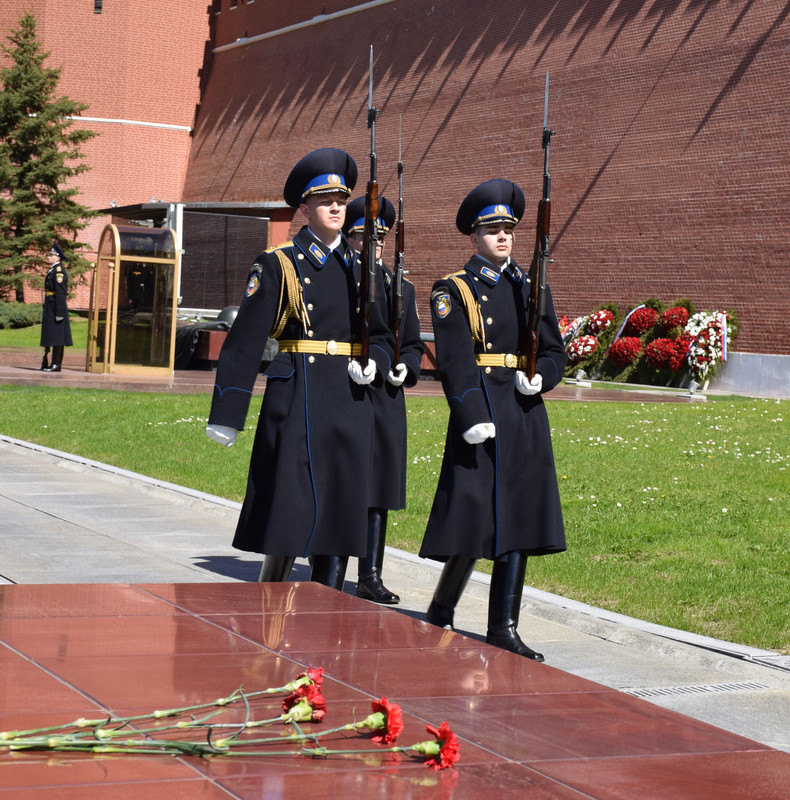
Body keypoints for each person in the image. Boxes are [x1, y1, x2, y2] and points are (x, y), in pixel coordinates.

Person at [205, 147, 393, 588]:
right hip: (298, 399)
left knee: (341, 520)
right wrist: (228, 414)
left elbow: (384, 335)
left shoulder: (363, 269)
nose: (334, 208)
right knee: (287, 516)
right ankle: (268, 603)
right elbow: (245, 342)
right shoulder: (280, 263)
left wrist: (375, 364)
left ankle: (326, 612)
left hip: (350, 400)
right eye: (324, 200)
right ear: (305, 208)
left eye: (341, 200)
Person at [420, 179, 566, 661]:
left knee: (519, 516)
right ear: (473, 236)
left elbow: (553, 350)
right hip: (482, 408)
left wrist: (541, 377)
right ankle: (442, 606)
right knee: (472, 515)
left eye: (508, 229)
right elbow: (456, 361)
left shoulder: (531, 284)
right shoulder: (455, 289)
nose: (502, 237)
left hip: (523, 410)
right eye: (492, 230)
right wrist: (471, 415)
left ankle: (503, 624)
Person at [344, 196, 425, 604]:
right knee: (347, 483)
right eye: (363, 237)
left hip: (387, 396)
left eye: (379, 239)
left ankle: (370, 573)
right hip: (352, 391)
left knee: (379, 488)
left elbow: (411, 344)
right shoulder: (344, 280)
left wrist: (405, 368)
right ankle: (335, 564)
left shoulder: (401, 288)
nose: (372, 246)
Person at [40, 241, 73, 372]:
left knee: (57, 337)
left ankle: (56, 364)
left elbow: (60, 293)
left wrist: (59, 312)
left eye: (51, 255)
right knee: (52, 335)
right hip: (51, 304)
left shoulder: (59, 272)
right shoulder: (53, 269)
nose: (48, 256)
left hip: (56, 306)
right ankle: (52, 363)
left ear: (57, 257)